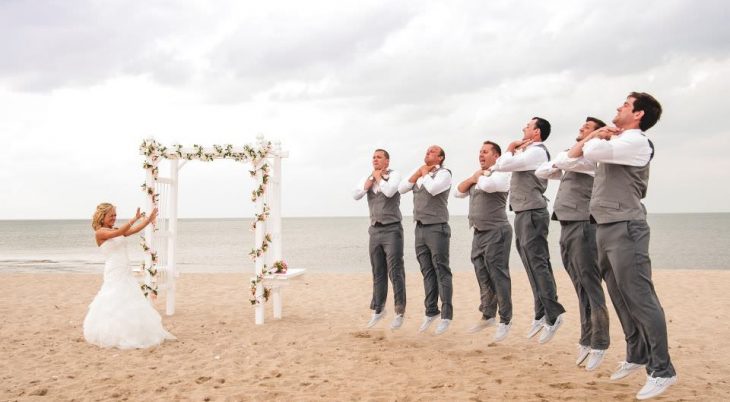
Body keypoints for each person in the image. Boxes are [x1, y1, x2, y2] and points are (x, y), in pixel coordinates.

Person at [570, 92, 676, 400]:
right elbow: (576, 156)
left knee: (641, 298)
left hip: (626, 228)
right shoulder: (617, 142)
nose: (618, 107)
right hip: (604, 226)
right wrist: (599, 136)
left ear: (639, 114)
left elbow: (591, 151)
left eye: (625, 105)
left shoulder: (635, 141)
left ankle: (663, 370)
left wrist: (598, 134)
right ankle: (637, 353)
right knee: (619, 296)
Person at [536, 117, 610, 370]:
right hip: (566, 223)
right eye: (582, 128)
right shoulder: (577, 157)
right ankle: (586, 337)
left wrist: (582, 146)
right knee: (579, 285)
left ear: (597, 134)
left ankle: (599, 342)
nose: (580, 130)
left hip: (584, 223)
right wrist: (563, 160)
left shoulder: (593, 156)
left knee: (591, 285)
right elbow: (542, 171)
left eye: (586, 128)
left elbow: (563, 161)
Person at [490, 117, 566, 344]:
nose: (523, 127)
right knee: (530, 264)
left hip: (533, 212)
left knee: (538, 263)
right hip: (523, 212)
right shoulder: (528, 152)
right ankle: (541, 312)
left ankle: (554, 313)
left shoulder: (537, 152)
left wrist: (510, 148)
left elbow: (501, 165)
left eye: (528, 125)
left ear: (537, 132)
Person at [84, 203, 176, 349]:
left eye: (115, 215)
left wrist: (146, 221)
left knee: (130, 297)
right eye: (111, 215)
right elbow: (119, 232)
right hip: (114, 269)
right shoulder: (100, 233)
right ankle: (112, 332)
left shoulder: (115, 229)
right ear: (102, 217)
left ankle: (131, 331)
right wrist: (134, 218)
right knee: (113, 298)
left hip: (125, 268)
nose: (114, 217)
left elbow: (131, 231)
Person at [454, 141, 513, 342]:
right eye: (479, 151)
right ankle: (488, 314)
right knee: (482, 273)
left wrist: (477, 177)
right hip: (478, 233)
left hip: (497, 231)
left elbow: (487, 186)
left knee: (499, 275)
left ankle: (506, 319)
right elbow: (458, 192)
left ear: (496, 156)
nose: (481, 154)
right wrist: (474, 176)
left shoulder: (501, 174)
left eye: (485, 152)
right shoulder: (479, 176)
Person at [399, 145, 453, 335]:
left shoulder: (444, 174)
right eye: (427, 151)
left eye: (432, 152)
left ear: (440, 158)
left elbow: (433, 189)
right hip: (420, 227)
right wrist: (418, 173)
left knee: (441, 271)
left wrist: (424, 173)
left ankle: (446, 315)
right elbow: (402, 187)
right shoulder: (421, 174)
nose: (427, 153)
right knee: (427, 271)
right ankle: (431, 311)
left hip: (437, 227)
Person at [352, 149, 407, 330]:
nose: (375, 159)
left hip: (392, 229)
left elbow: (390, 191)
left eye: (379, 157)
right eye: (373, 157)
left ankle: (399, 311)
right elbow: (357, 194)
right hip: (374, 230)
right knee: (378, 271)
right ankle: (378, 309)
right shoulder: (368, 177)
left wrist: (378, 178)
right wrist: (371, 179)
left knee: (395, 271)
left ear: (387, 161)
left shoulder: (395, 175)